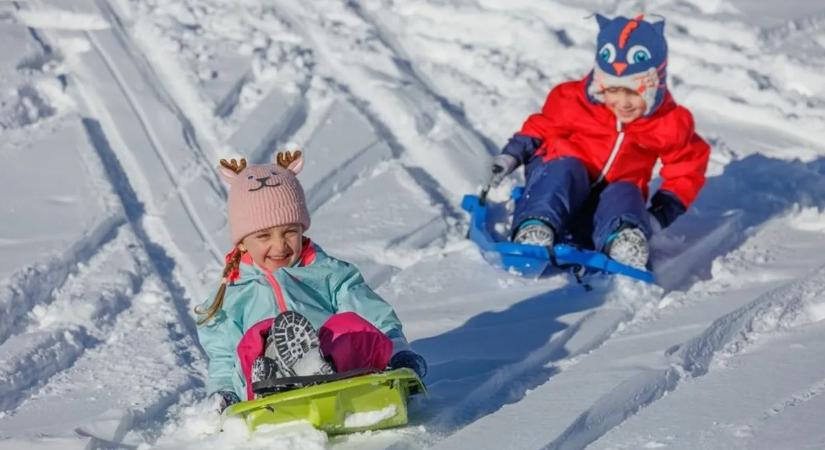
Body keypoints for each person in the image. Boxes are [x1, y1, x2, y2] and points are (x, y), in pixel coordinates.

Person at [195, 151, 427, 413]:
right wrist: (224, 392)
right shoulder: (234, 293)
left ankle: (316, 367)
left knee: (348, 326)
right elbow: (224, 355)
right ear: (241, 242)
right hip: (263, 385)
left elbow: (371, 312)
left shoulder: (328, 273)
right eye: (263, 236)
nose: (279, 245)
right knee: (253, 341)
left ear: (302, 229)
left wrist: (397, 352)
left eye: (289, 232)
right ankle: (279, 374)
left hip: (336, 367)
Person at [488, 14, 710, 269]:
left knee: (626, 190)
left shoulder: (668, 123)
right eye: (613, 90)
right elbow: (540, 128)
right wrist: (511, 156)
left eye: (634, 93)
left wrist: (660, 214)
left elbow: (688, 166)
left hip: (603, 205)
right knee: (567, 168)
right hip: (558, 182)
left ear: (654, 88)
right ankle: (535, 227)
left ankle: (623, 239)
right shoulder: (573, 101)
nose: (622, 102)